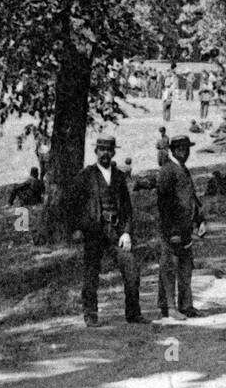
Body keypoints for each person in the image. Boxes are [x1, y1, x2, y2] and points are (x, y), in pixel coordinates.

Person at [71, 133, 146, 327]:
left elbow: (127, 208)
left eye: (109, 150)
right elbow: (73, 205)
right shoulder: (85, 176)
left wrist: (127, 232)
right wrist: (79, 228)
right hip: (94, 231)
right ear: (96, 152)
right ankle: (90, 314)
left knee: (131, 268)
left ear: (113, 152)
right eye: (102, 150)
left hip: (116, 231)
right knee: (91, 273)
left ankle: (133, 313)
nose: (105, 153)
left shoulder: (120, 177)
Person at [156, 133, 206, 319]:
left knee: (185, 267)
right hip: (172, 229)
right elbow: (164, 205)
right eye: (179, 149)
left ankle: (186, 305)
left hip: (186, 228)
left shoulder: (184, 170)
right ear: (173, 150)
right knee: (169, 266)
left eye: (186, 149)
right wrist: (172, 231)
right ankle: (169, 307)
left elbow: (192, 198)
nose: (183, 153)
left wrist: (200, 221)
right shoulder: (167, 171)